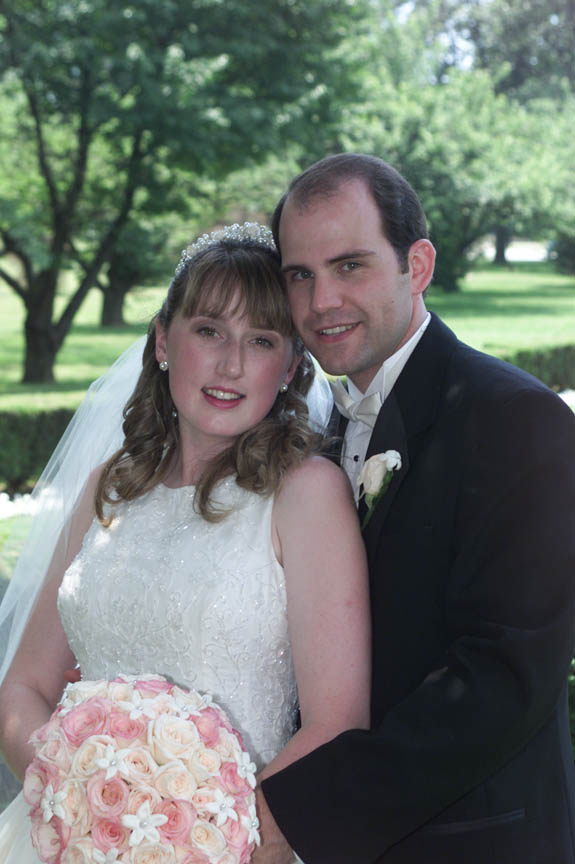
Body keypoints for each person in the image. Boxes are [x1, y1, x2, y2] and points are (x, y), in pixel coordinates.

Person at [0, 223, 371, 862]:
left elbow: (336, 724)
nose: (231, 364)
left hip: (242, 846)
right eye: (209, 331)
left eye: (261, 340)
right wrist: (77, 799)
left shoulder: (306, 494)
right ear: (162, 340)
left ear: (290, 367)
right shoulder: (109, 486)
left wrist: (202, 842)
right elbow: (23, 688)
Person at [259, 154, 575, 863]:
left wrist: (299, 812)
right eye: (299, 275)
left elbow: (502, 677)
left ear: (418, 266)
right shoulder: (305, 434)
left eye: (349, 266)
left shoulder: (515, 420)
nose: (321, 302)